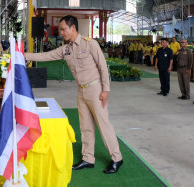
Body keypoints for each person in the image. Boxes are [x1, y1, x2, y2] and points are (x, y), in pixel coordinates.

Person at [25, 15, 123, 174]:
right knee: (85, 127)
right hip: (81, 90)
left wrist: (106, 90)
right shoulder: (66, 49)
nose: (61, 32)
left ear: (73, 28)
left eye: (63, 29)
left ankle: (117, 158)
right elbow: (46, 56)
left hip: (95, 89)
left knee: (103, 125)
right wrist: (25, 55)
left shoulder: (89, 43)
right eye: (61, 29)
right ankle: (88, 158)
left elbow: (103, 67)